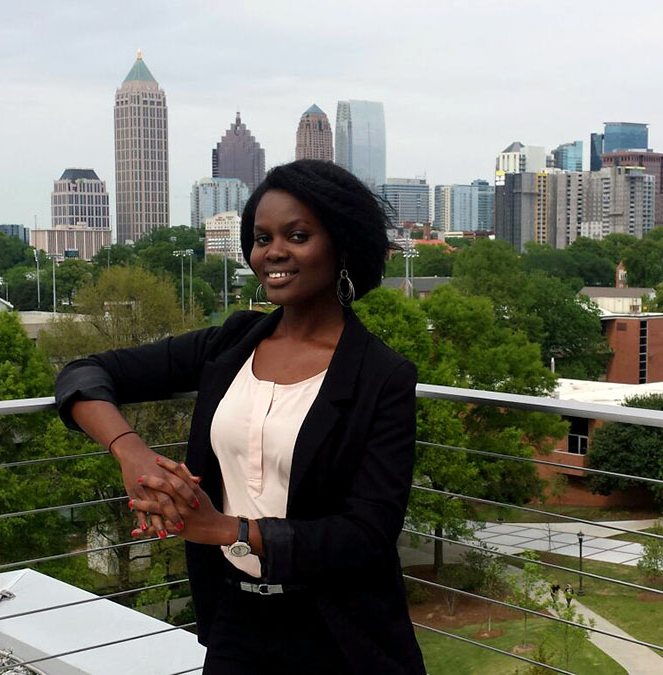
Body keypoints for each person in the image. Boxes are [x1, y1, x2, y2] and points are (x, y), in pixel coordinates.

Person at [55, 160, 426, 674]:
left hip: (340, 630)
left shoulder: (380, 376)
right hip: (236, 617)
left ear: (341, 244)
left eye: (297, 235)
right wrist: (132, 453)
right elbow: (84, 375)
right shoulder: (228, 345)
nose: (273, 252)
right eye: (261, 237)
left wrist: (226, 529)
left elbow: (367, 534)